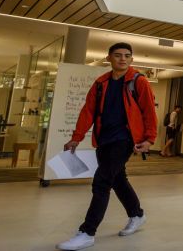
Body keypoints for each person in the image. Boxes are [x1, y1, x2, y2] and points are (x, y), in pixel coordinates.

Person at [56, 43, 158, 251]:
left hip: (125, 139)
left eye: (127, 56)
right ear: (109, 58)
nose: (123, 59)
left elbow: (149, 112)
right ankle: (137, 215)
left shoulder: (138, 82)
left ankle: (87, 232)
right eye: (118, 55)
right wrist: (76, 137)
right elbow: (88, 111)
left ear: (131, 59)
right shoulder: (101, 83)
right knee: (118, 179)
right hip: (104, 139)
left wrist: (149, 139)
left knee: (102, 181)